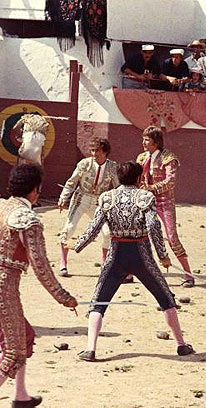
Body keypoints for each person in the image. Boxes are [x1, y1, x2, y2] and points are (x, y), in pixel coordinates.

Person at [74, 162, 195, 361]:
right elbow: (153, 226)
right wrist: (162, 254)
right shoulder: (145, 197)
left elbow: (94, 227)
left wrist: (78, 245)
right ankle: (181, 345)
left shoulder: (107, 197)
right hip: (141, 254)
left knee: (99, 301)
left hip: (116, 254)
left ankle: (90, 348)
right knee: (165, 298)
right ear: (139, 178)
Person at [0, 164, 77, 407]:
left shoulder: (2, 207)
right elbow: (40, 265)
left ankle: (20, 396)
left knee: (24, 338)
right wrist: (63, 296)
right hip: (3, 287)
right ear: (35, 191)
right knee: (13, 351)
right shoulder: (28, 219)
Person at [136, 126, 194, 287]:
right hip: (145, 201)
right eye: (143, 138)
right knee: (135, 235)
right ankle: (129, 273)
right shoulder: (141, 158)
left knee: (172, 237)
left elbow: (171, 181)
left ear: (156, 142)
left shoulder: (168, 158)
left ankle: (189, 275)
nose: (143, 142)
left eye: (147, 139)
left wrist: (151, 188)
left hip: (164, 202)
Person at [58, 138, 119, 277]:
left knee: (108, 233)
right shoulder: (84, 164)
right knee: (69, 228)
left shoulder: (112, 167)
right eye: (92, 150)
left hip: (99, 202)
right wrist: (63, 198)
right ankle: (63, 263)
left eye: (97, 150)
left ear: (105, 152)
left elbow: (118, 187)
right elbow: (71, 182)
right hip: (80, 200)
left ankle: (104, 264)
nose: (94, 153)